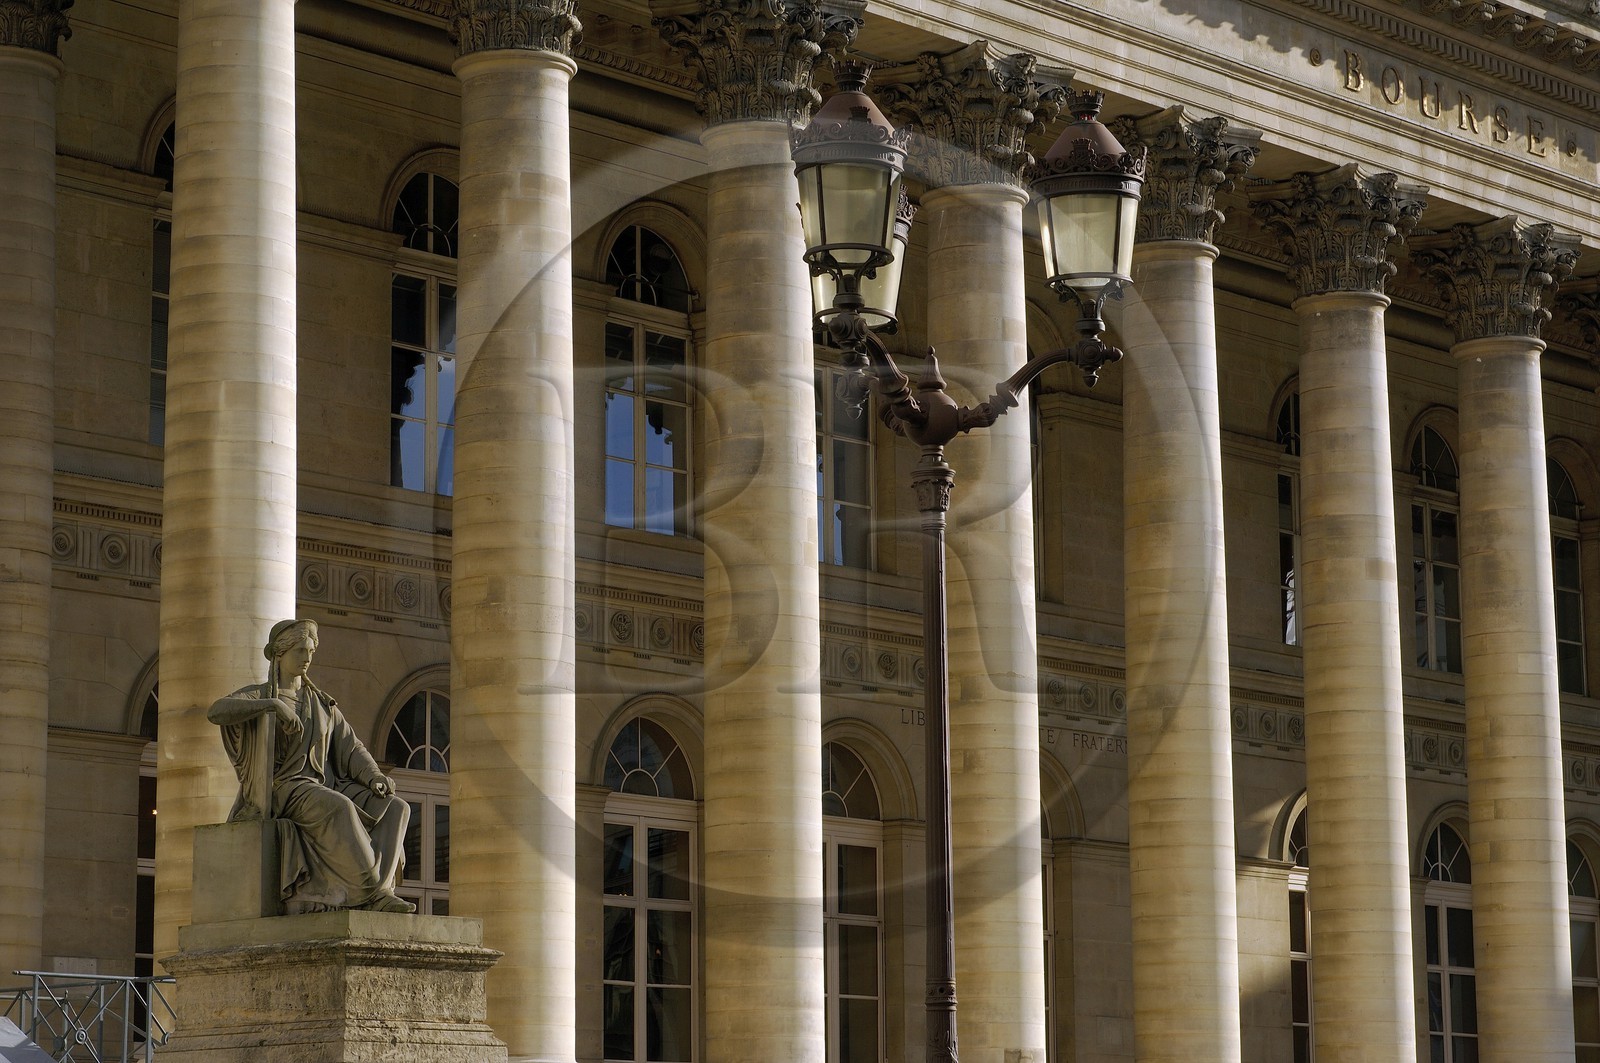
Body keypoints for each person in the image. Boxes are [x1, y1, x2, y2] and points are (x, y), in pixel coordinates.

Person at [209, 618, 416, 914]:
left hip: (322, 785)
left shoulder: (321, 703)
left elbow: (352, 747)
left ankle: (378, 889)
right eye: (300, 651)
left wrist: (374, 777)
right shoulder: (262, 695)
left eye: (310, 651)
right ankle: (370, 891)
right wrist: (272, 706)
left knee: (397, 807)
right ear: (280, 653)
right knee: (339, 808)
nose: (307, 658)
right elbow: (216, 711)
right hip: (286, 790)